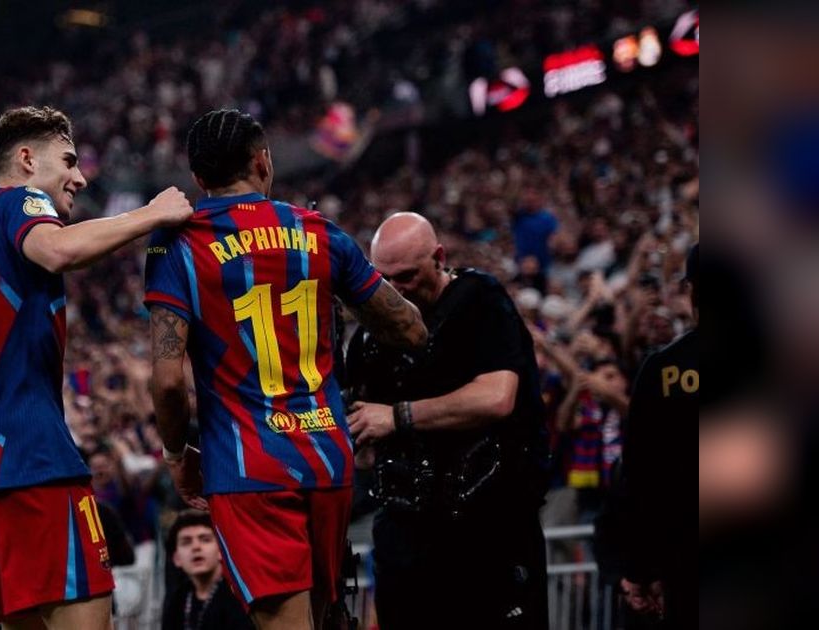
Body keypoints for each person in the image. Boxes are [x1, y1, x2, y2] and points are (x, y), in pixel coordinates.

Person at [0, 105, 193, 630]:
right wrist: (152, 213)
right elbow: (57, 251)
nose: (80, 177)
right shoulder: (18, 202)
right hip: (30, 463)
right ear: (27, 160)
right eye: (69, 161)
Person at [145, 108, 428, 630]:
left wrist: (176, 453)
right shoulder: (321, 233)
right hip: (326, 458)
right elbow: (409, 328)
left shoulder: (178, 244)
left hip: (248, 468)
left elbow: (166, 380)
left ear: (199, 180)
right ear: (263, 162)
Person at [345, 213, 549, 629]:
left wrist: (398, 417)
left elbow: (496, 397)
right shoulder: (371, 336)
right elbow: (363, 435)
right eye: (384, 278)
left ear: (439, 258)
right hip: (406, 535)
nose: (395, 289)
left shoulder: (479, 301)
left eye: (406, 276)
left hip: (489, 530)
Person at [615, 243, 697, 628]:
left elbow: (640, 477)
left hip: (687, 553)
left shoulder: (662, 369)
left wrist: (640, 568)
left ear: (691, 291)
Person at [162, 510, 253, 630]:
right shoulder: (177, 601)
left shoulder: (238, 597)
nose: (196, 547)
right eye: (186, 542)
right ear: (176, 558)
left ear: (221, 550)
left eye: (205, 539)